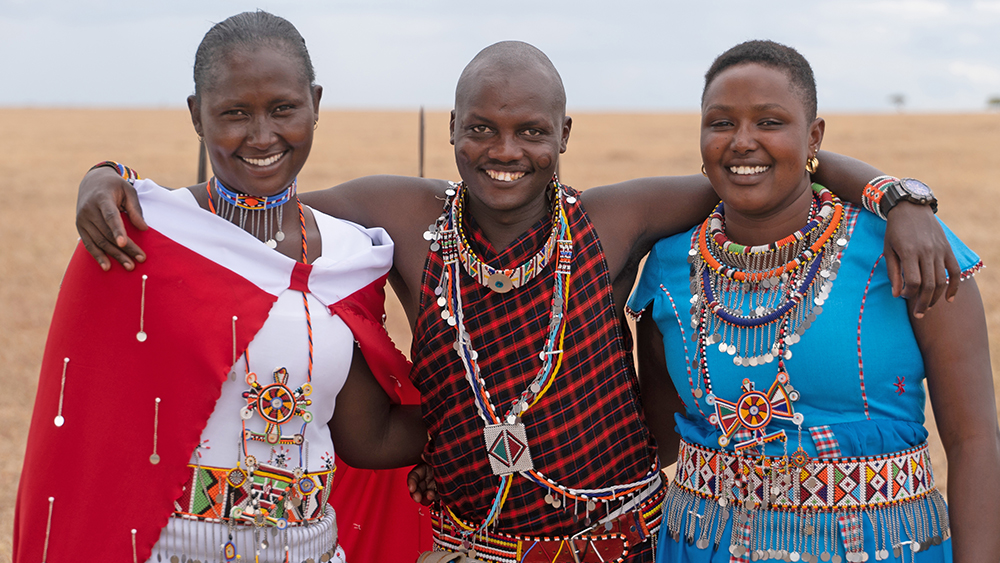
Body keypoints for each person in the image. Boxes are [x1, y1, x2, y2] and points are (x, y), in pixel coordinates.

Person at [73, 41, 957, 562]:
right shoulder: (405, 214)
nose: (506, 151)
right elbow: (248, 209)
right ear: (452, 131)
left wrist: (897, 196)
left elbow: (757, 164)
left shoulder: (615, 223)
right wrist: (110, 178)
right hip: (469, 546)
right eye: (481, 130)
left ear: (564, 137)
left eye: (532, 132)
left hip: (620, 544)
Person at [13, 12, 430, 563]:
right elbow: (86, 433)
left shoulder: (347, 259)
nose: (261, 136)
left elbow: (368, 436)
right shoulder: (147, 237)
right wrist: (102, 174)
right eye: (235, 113)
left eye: (284, 108)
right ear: (196, 115)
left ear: (316, 103)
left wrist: (508, 423)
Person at [627, 40, 1000, 563]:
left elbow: (975, 442)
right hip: (700, 549)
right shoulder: (668, 267)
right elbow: (656, 441)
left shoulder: (907, 250)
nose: (742, 141)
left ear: (814, 137)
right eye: (721, 123)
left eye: (771, 122)